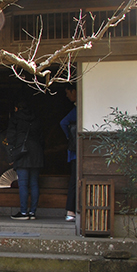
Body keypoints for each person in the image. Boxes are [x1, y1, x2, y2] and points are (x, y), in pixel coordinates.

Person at [6, 98, 44, 220]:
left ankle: (23, 212)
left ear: (17, 108)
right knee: (34, 183)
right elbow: (42, 136)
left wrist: (11, 152)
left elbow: (10, 137)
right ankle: (32, 212)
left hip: (22, 152)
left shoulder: (15, 118)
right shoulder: (36, 118)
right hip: (36, 152)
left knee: (23, 184)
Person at [60, 83, 78, 222]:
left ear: (74, 91)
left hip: (75, 151)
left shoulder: (78, 108)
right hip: (77, 151)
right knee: (74, 181)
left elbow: (64, 123)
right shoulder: (77, 108)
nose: (67, 96)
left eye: (68, 92)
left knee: (73, 181)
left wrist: (69, 136)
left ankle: (71, 211)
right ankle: (71, 211)